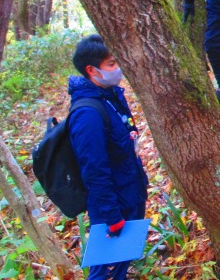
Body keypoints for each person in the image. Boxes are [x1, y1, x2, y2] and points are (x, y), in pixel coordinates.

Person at [69, 34, 148, 279]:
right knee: (105, 271)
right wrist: (111, 217)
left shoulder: (111, 94)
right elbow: (93, 169)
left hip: (129, 191)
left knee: (121, 265)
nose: (118, 68)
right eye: (112, 64)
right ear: (91, 70)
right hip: (112, 206)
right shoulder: (87, 114)